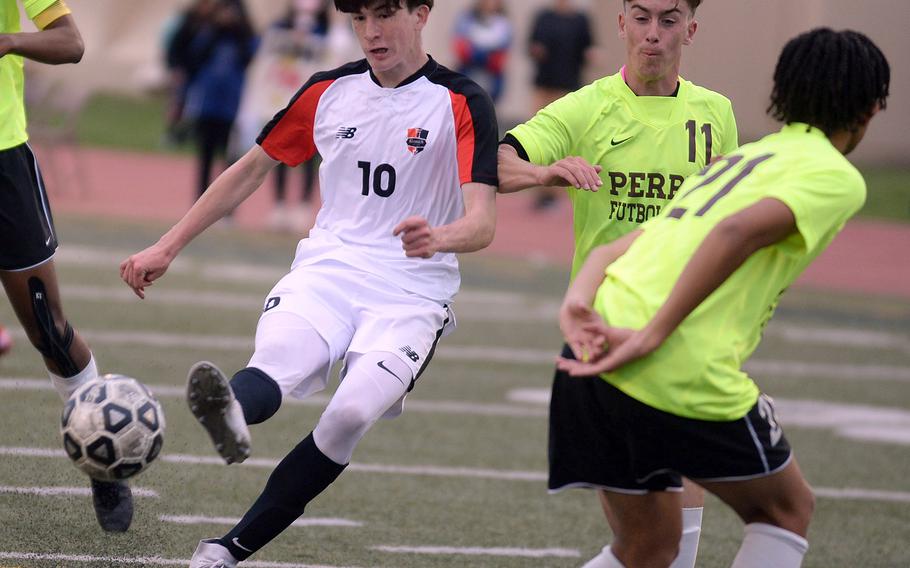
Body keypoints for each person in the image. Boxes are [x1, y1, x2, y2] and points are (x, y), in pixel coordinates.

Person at [120, 0, 497, 565]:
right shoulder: (327, 92)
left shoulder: (461, 100)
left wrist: (440, 238)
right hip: (329, 269)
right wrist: (166, 245)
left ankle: (228, 548)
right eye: (360, 18)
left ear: (422, 14)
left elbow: (482, 222)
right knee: (276, 362)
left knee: (348, 415)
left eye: (386, 15)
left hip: (413, 291)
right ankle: (231, 412)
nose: (372, 32)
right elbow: (249, 168)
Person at [554, 27, 889, 568]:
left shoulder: (741, 160)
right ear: (871, 108)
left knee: (648, 548)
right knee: (786, 510)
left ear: (783, 91)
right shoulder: (835, 176)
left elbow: (621, 246)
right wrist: (654, 334)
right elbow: (733, 236)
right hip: (663, 361)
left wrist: (577, 300)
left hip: (592, 342)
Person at [497, 1, 737, 566]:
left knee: (674, 525)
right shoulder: (587, 106)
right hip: (607, 336)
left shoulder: (716, 114)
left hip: (685, 327)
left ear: (691, 29)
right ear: (622, 24)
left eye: (670, 19)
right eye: (643, 17)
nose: (655, 34)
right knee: (645, 545)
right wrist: (544, 172)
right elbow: (498, 161)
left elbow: (729, 220)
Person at [0, 0, 133, 532]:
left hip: (3, 161)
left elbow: (70, 43)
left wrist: (7, 42)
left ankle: (103, 461)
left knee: (48, 330)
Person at [179, 0, 258, 201]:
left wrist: (237, 29)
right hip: (208, 103)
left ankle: (227, 203)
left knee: (231, 158)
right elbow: (194, 54)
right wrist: (215, 28)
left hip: (232, 105)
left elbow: (250, 55)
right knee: (205, 154)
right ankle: (200, 199)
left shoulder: (244, 36)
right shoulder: (209, 32)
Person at [527, 0, 593, 211]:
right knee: (540, 139)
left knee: (563, 144)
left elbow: (588, 47)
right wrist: (535, 50)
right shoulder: (543, 17)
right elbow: (530, 45)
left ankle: (556, 194)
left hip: (568, 88)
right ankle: (539, 190)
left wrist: (592, 55)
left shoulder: (580, 20)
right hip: (544, 85)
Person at [451, 0, 512, 103]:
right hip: (469, 66)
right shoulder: (467, 18)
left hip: (491, 70)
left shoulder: (503, 23)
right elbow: (461, 46)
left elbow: (503, 51)